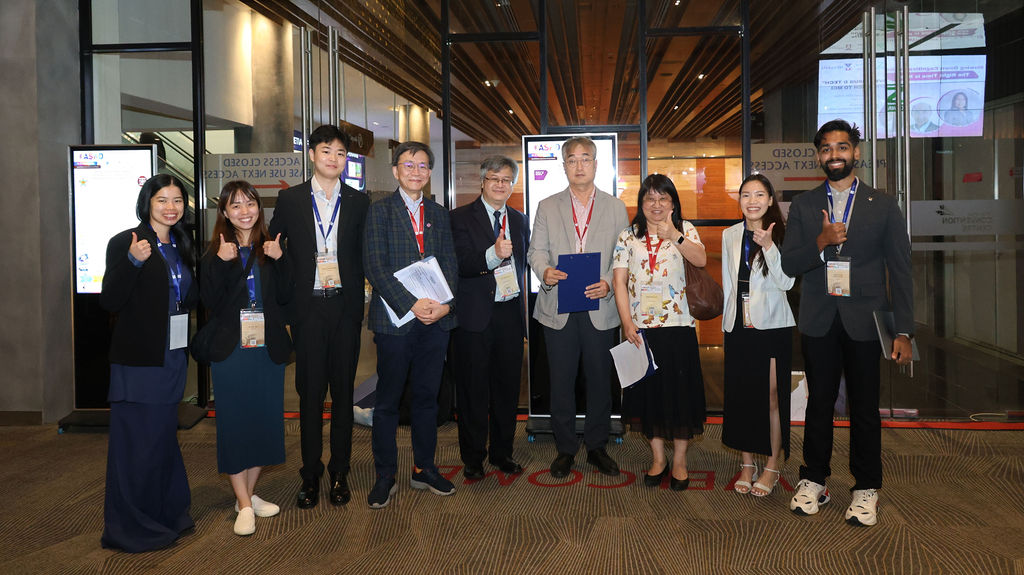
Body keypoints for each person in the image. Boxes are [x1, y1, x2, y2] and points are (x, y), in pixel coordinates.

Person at [781, 119, 913, 527]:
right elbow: (789, 264)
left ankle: (866, 487)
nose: (834, 154)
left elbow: (900, 270)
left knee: (865, 407)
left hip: (866, 320)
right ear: (818, 156)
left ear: (856, 152)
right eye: (826, 148)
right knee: (819, 402)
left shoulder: (883, 204)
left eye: (841, 147)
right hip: (819, 318)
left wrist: (904, 330)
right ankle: (814, 479)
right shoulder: (804, 205)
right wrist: (821, 243)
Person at [269, 125, 369, 509]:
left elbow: (364, 254)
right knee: (310, 396)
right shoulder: (290, 199)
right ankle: (310, 474)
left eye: (341, 153)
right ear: (312, 154)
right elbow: (275, 248)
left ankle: (340, 472)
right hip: (308, 309)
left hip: (344, 308)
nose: (334, 159)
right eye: (326, 151)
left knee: (343, 394)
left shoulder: (358, 201)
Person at [99, 174, 197, 552]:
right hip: (139, 363)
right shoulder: (127, 241)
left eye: (177, 200)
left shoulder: (181, 243)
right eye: (162, 200)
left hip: (171, 357)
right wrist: (132, 262)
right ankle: (132, 527)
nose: (171, 207)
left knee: (160, 440)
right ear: (147, 203)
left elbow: (188, 298)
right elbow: (110, 300)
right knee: (137, 446)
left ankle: (166, 513)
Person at [363, 141, 459, 508]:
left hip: (434, 322)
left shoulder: (438, 212)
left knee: (426, 399)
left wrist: (446, 306)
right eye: (408, 164)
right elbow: (375, 266)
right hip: (395, 322)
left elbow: (449, 262)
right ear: (395, 170)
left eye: (422, 166)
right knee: (387, 401)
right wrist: (411, 303)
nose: (415, 171)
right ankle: (385, 475)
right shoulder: (380, 211)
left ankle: (424, 468)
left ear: (429, 173)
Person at [527, 136, 629, 478]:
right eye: (572, 160)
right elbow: (536, 251)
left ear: (596, 164)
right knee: (561, 380)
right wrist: (544, 271)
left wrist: (608, 282)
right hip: (558, 305)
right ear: (564, 166)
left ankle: (597, 446)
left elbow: (623, 255)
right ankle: (566, 448)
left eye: (586, 159)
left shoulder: (615, 207)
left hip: (600, 304)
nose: (579, 165)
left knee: (600, 379)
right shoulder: (547, 205)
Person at [200, 181, 292, 536]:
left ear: (259, 208)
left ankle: (248, 496)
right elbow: (209, 300)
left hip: (266, 349)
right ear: (224, 212)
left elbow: (287, 297)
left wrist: (281, 260)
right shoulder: (216, 251)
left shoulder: (271, 247)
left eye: (250, 203)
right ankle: (243, 502)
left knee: (262, 423)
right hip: (231, 350)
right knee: (235, 425)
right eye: (235, 205)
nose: (244, 211)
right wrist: (221, 264)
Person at [611, 174, 707, 491]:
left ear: (673, 203)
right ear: (641, 204)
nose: (656, 204)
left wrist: (675, 236)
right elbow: (619, 281)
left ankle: (679, 461)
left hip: (678, 327)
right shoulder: (628, 236)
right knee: (649, 397)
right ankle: (658, 459)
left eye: (662, 198)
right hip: (641, 330)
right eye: (649, 198)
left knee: (680, 396)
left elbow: (701, 259)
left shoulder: (685, 229)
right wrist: (626, 322)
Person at [450, 156, 530, 480]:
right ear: (482, 182)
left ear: (512, 185)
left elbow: (524, 264)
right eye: (494, 178)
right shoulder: (459, 218)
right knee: (473, 391)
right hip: (474, 317)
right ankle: (472, 458)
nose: (500, 184)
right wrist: (492, 255)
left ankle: (502, 453)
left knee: (506, 390)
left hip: (509, 314)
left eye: (506, 180)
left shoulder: (520, 220)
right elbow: (460, 264)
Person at [721, 173, 795, 497]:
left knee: (771, 397)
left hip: (773, 326)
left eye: (759, 195)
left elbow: (787, 282)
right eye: (746, 195)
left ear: (770, 200)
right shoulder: (730, 234)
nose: (752, 201)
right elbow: (729, 283)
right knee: (742, 396)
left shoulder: (782, 233)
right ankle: (747, 464)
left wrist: (768, 246)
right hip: (739, 325)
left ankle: (773, 465)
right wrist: (727, 323)